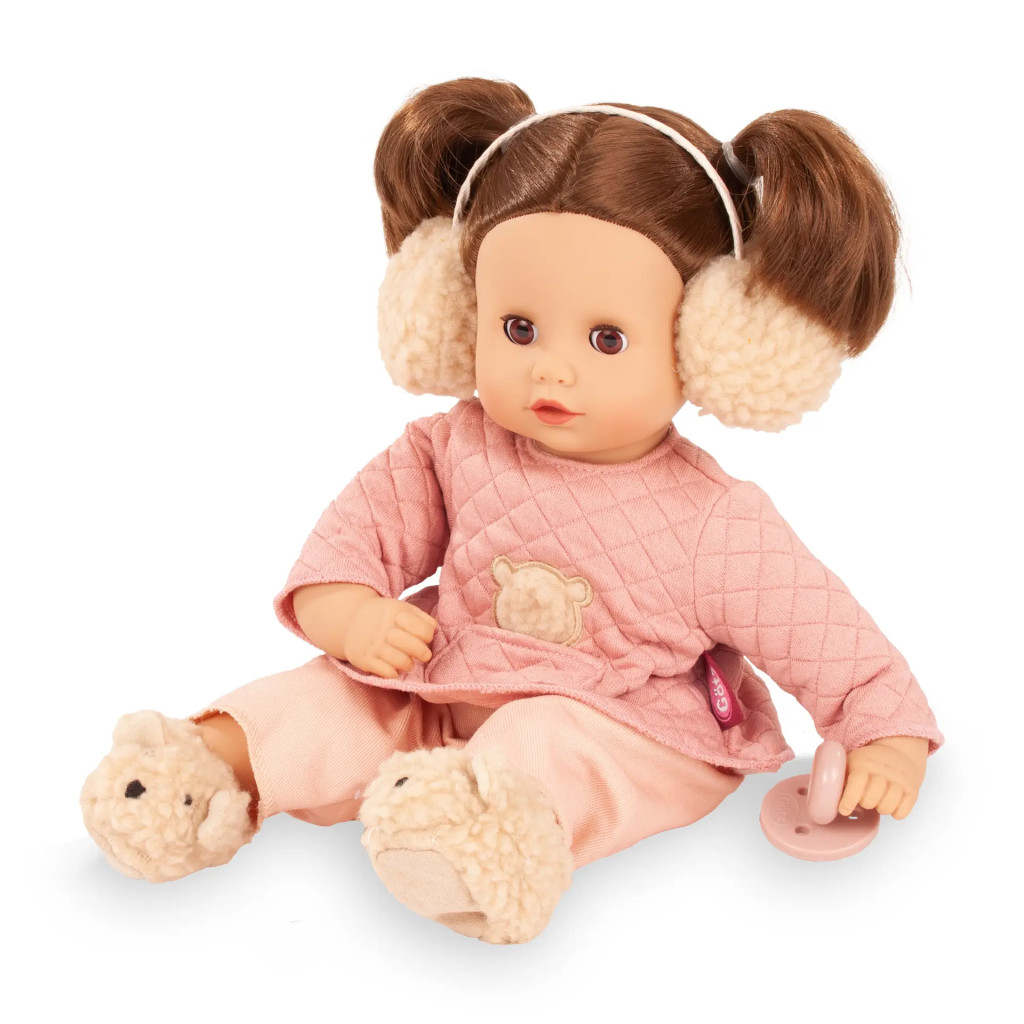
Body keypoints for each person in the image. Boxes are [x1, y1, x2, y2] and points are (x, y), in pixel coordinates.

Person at [81, 78, 943, 944]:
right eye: (519, 328)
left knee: (547, 737)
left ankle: (488, 842)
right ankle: (208, 776)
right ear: (464, 314)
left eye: (606, 339)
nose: (551, 369)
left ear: (709, 342)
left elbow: (826, 636)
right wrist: (349, 615)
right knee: (327, 698)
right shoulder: (450, 448)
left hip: (627, 724)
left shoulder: (717, 521)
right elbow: (354, 540)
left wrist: (886, 738)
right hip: (449, 682)